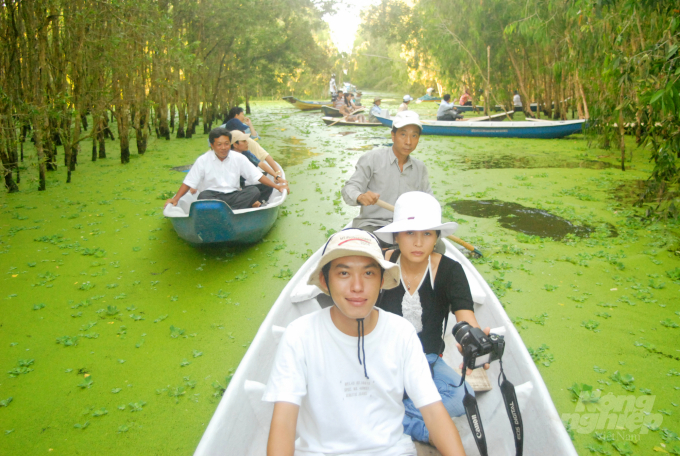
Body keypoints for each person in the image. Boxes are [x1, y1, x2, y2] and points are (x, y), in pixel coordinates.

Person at [264, 228, 467, 456]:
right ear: (324, 280)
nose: (357, 287)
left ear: (382, 280)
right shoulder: (300, 336)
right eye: (343, 274)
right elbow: (283, 424)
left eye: (369, 274)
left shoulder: (401, 333)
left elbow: (433, 413)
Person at [374, 191, 489, 444]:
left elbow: (465, 316)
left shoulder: (450, 270)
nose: (418, 243)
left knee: (462, 397)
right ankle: (425, 428)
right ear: (396, 235)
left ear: (436, 237)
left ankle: (391, 416)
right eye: (409, 233)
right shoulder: (380, 265)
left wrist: (474, 341)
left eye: (427, 233)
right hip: (382, 359)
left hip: (428, 361)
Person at [341, 111, 433, 237]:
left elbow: (428, 202)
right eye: (403, 134)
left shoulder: (420, 168)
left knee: (439, 247)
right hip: (373, 226)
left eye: (414, 136)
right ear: (393, 136)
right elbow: (349, 188)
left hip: (406, 229)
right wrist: (360, 197)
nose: (408, 142)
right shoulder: (372, 158)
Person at [164, 128, 288, 210]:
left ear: (230, 144)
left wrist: (277, 186)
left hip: (234, 195)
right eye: (219, 144)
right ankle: (233, 210)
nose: (223, 148)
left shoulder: (238, 158)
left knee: (254, 191)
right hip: (213, 196)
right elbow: (189, 182)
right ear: (212, 145)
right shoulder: (203, 160)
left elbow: (258, 176)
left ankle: (227, 211)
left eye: (226, 144)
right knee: (203, 196)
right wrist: (176, 199)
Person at [229, 131, 289, 202]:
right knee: (254, 191)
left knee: (267, 187)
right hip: (233, 190)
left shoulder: (245, 152)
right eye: (244, 141)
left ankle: (257, 203)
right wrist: (277, 186)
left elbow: (261, 164)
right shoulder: (229, 158)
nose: (247, 142)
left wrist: (277, 176)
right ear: (235, 144)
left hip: (241, 186)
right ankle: (252, 203)